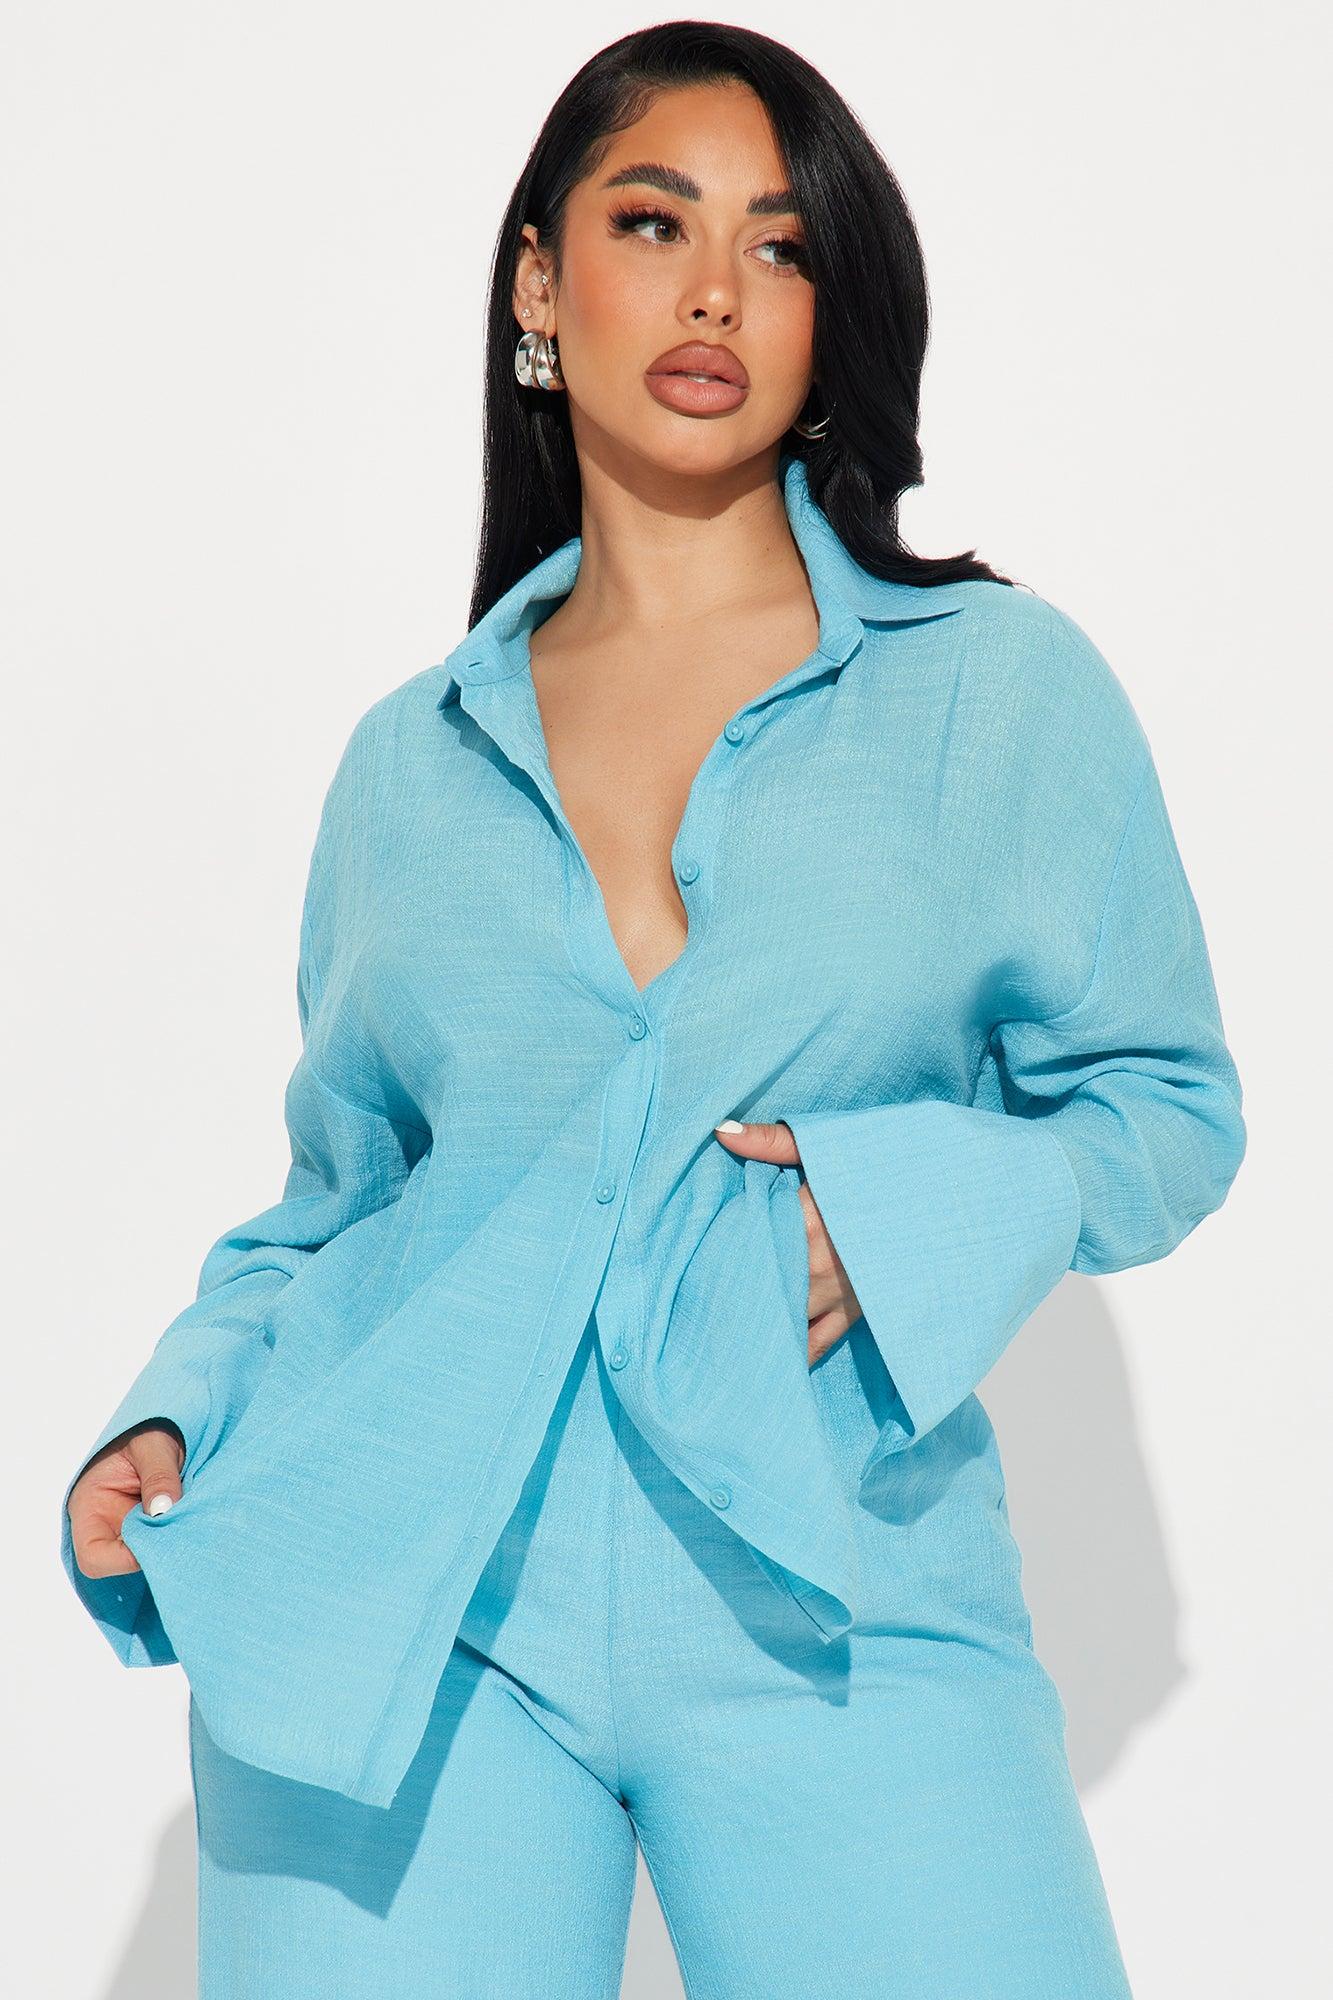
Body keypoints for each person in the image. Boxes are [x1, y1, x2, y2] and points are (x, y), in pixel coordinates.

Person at [62, 22, 1246, 1999]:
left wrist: (898, 1208)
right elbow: (343, 1207)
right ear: (539, 283)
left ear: (829, 312)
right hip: (415, 1615)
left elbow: (1161, 1106)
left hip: (841, 1600)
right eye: (650, 222)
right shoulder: (409, 764)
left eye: (779, 248)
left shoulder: (993, 691)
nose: (713, 291)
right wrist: (178, 1408)